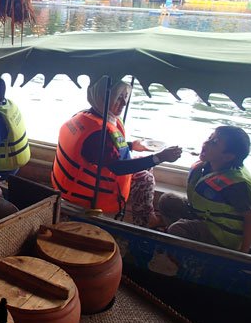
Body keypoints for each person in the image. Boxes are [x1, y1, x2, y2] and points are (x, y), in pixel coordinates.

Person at [51, 77, 182, 227]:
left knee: (145, 163)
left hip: (72, 181)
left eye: (125, 97)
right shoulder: (100, 134)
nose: (124, 103)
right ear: (103, 97)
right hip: (90, 195)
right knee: (145, 178)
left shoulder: (87, 115)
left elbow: (102, 151)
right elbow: (118, 168)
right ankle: (146, 221)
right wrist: (160, 157)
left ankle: (145, 215)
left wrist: (132, 145)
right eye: (118, 98)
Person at [158, 126, 251, 253]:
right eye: (209, 138)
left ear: (228, 157)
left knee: (178, 229)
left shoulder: (236, 184)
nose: (206, 143)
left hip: (222, 236)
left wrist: (243, 253)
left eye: (214, 142)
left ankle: (187, 258)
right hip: (206, 218)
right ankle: (182, 241)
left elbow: (250, 217)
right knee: (168, 200)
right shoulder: (209, 166)